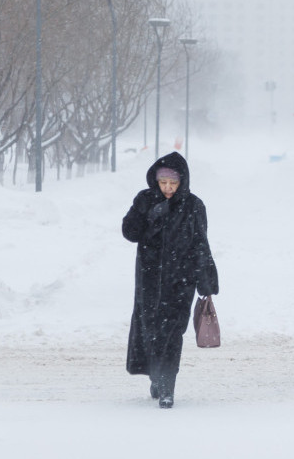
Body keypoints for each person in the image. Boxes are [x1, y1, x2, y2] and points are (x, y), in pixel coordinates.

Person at [121, 151, 219, 409]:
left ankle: (167, 387)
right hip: (149, 280)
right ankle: (156, 376)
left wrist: (205, 281)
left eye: (172, 183)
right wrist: (145, 212)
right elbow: (129, 233)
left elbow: (200, 243)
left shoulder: (193, 206)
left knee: (173, 334)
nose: (167, 188)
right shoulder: (145, 199)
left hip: (180, 282)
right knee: (151, 331)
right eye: (163, 183)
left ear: (182, 182)